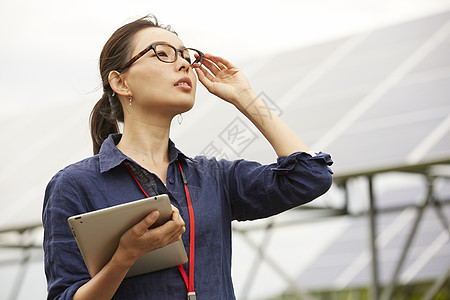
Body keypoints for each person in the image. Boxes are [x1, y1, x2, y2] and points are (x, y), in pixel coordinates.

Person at [42, 15, 333, 300]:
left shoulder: (214, 178)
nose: (184, 63)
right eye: (162, 54)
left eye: (186, 56)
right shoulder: (74, 185)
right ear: (120, 83)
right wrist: (124, 258)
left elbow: (309, 176)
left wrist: (244, 96)